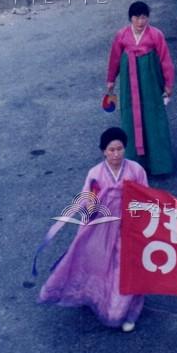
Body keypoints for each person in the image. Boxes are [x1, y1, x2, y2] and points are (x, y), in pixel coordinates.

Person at [38, 127, 148, 331]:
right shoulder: (95, 173)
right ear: (103, 151)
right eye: (111, 150)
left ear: (125, 149)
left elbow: (145, 196)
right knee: (95, 261)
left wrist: (140, 219)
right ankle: (93, 296)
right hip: (102, 224)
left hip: (128, 224)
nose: (116, 154)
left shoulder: (135, 170)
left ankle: (125, 310)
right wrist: (92, 210)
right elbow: (87, 199)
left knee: (126, 265)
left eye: (120, 149)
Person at [105, 3, 175, 175]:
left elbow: (165, 60)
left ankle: (160, 164)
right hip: (130, 84)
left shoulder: (155, 35)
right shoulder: (122, 36)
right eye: (136, 17)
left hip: (149, 83)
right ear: (131, 18)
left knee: (153, 118)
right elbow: (114, 58)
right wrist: (111, 80)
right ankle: (136, 165)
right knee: (130, 118)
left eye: (144, 17)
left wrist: (168, 84)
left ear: (148, 18)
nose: (140, 21)